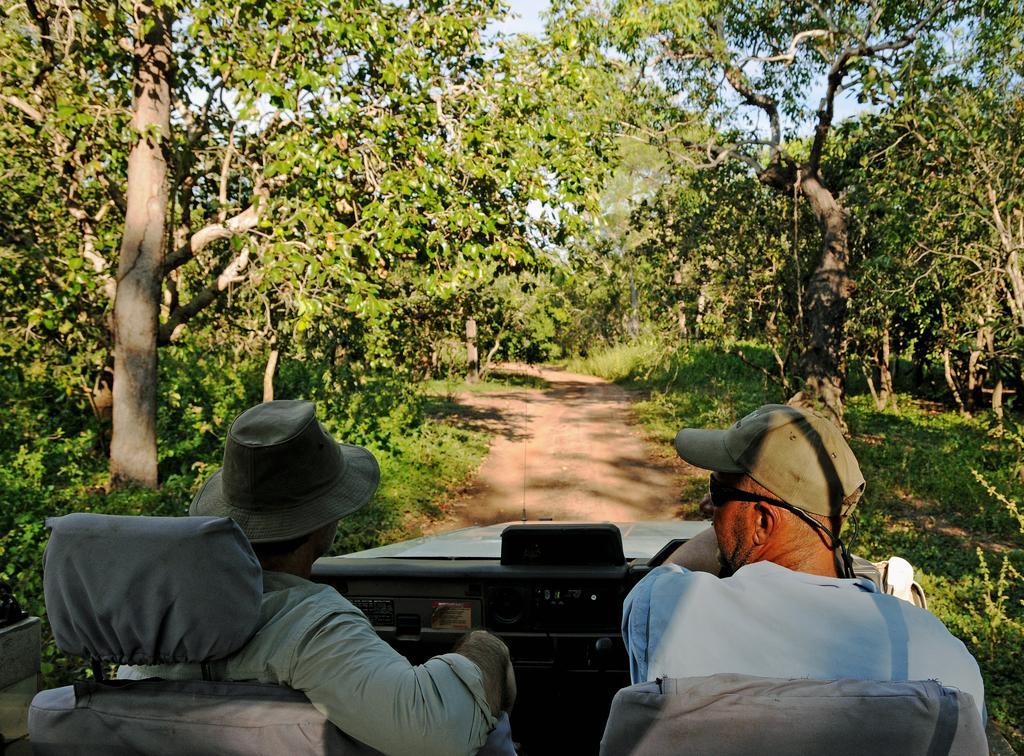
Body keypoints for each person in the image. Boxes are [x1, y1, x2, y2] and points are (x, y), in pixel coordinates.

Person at [119, 400, 515, 756]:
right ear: (325, 522)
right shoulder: (311, 626)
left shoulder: (148, 637)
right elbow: (440, 730)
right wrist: (485, 647)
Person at [622, 403, 986, 720]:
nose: (706, 506)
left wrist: (723, 529)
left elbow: (656, 580)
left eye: (717, 493)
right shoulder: (945, 660)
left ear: (763, 522)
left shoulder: (671, 608)